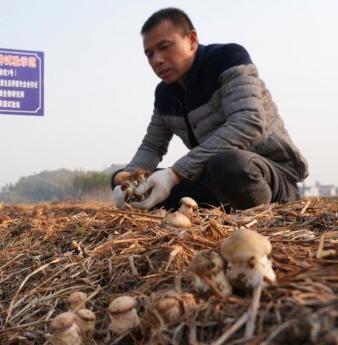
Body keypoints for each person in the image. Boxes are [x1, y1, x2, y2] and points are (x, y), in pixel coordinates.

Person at [112, 7, 307, 212]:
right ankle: (220, 208)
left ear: (192, 39)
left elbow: (248, 122)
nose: (157, 60)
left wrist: (174, 174)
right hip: (212, 181)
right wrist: (130, 180)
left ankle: (256, 217)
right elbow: (152, 146)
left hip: (266, 176)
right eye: (149, 54)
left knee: (227, 165)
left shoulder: (227, 59)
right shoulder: (165, 94)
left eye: (165, 47)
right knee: (122, 181)